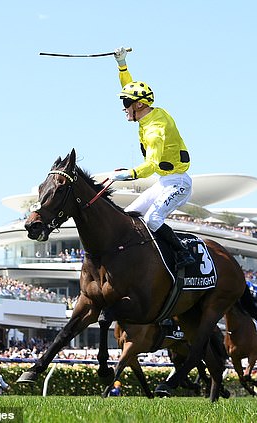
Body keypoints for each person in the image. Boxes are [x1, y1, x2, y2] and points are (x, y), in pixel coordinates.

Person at [109, 47, 195, 269]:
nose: (123, 109)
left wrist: (128, 175)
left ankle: (183, 254)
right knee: (129, 216)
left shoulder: (155, 129)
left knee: (153, 220)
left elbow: (151, 165)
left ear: (139, 105)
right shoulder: (148, 112)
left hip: (179, 183)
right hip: (165, 182)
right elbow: (130, 88)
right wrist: (122, 65)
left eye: (125, 105)